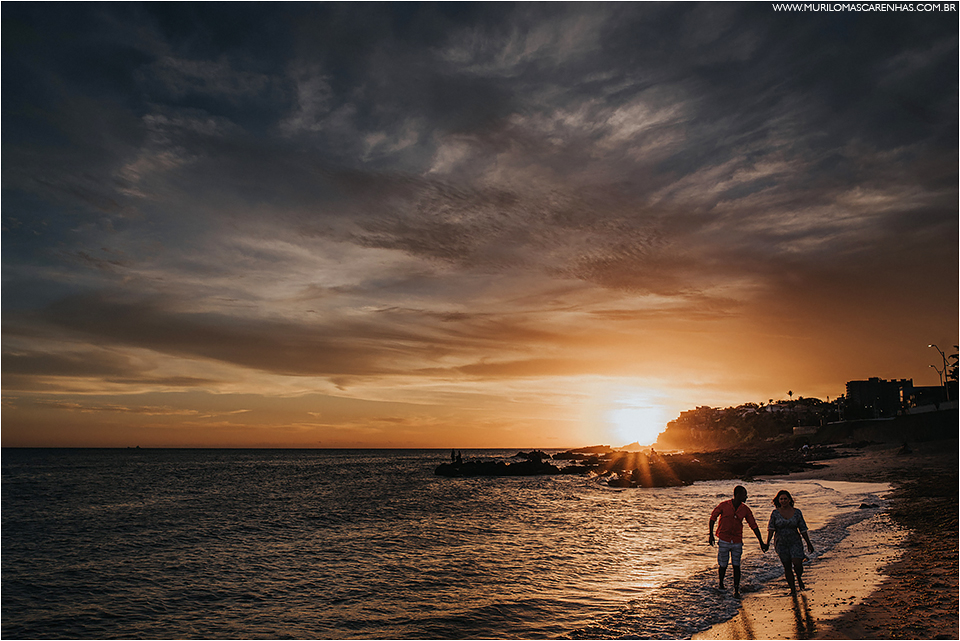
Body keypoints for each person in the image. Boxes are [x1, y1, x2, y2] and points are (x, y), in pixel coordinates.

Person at [709, 485, 766, 597]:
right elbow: (712, 518)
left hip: (737, 540)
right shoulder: (724, 505)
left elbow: (753, 525)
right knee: (723, 564)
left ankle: (736, 589)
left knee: (736, 565)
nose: (746, 497)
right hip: (724, 539)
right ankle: (721, 584)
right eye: (745, 495)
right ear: (738, 495)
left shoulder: (745, 509)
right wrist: (710, 535)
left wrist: (761, 541)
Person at [765, 489, 815, 595]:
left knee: (797, 563)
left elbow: (803, 529)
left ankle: (799, 577)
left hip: (795, 541)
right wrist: (767, 542)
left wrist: (808, 543)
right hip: (781, 543)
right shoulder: (775, 513)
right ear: (778, 500)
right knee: (787, 566)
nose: (783, 501)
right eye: (781, 499)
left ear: (789, 500)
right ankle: (792, 589)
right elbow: (771, 529)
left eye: (785, 499)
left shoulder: (797, 512)